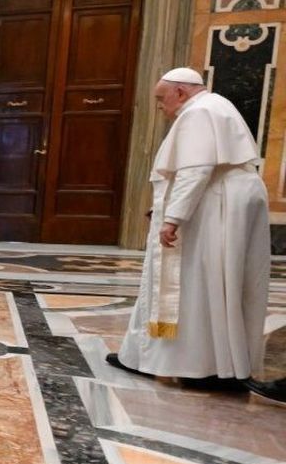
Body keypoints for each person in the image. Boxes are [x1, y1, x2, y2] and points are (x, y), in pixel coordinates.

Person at [111, 67, 271, 385]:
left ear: (180, 93)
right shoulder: (218, 106)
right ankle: (216, 365)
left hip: (216, 206)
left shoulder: (198, 113)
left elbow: (195, 171)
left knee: (196, 283)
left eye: (161, 99)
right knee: (223, 284)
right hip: (226, 202)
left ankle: (192, 365)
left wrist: (172, 218)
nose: (160, 107)